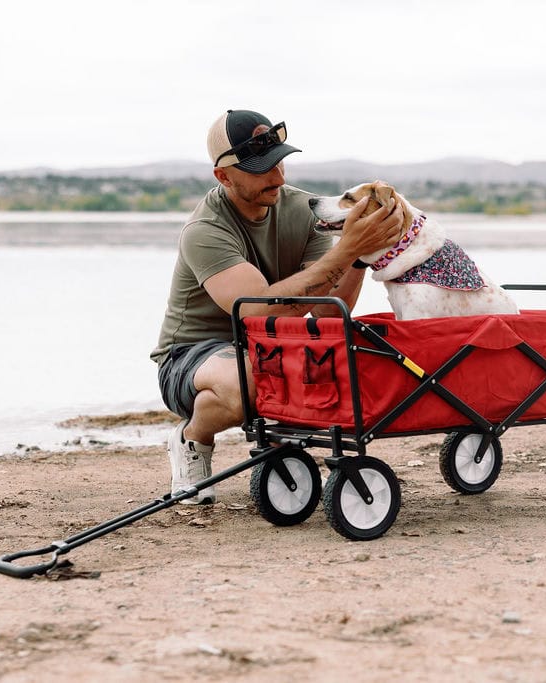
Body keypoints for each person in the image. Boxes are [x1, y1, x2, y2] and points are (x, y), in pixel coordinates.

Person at [151, 109, 405, 504]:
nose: (279, 177)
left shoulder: (306, 211)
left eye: (280, 162)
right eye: (261, 169)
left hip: (273, 345)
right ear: (224, 177)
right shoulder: (204, 231)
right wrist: (347, 249)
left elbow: (326, 312)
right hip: (192, 354)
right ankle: (192, 439)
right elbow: (257, 312)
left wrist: (358, 256)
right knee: (247, 379)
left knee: (340, 359)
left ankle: (282, 452)